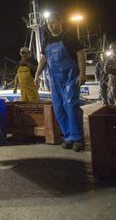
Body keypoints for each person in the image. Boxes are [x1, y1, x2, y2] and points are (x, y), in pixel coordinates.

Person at [34, 13, 86, 152]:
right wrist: (37, 74)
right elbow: (44, 59)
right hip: (55, 80)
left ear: (60, 21)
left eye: (53, 22)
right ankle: (68, 136)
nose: (51, 26)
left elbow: (80, 54)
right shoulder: (47, 40)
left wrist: (82, 73)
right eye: (49, 23)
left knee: (70, 105)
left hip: (70, 77)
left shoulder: (69, 37)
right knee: (59, 108)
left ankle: (78, 138)